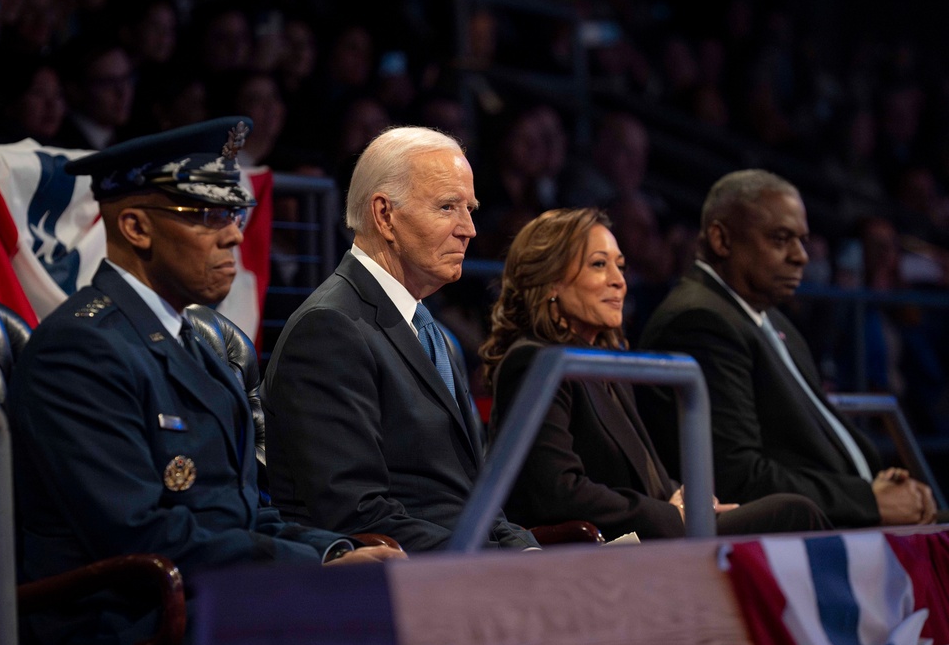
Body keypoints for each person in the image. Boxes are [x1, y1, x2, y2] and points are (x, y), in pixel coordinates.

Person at [9, 116, 405, 645]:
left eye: (235, 213)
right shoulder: (80, 349)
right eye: (207, 215)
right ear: (135, 228)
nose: (235, 234)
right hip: (130, 626)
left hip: (208, 599)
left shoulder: (199, 345)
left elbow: (236, 515)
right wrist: (311, 569)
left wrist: (334, 550)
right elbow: (141, 535)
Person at [261, 126, 539, 552]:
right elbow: (355, 513)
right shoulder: (329, 330)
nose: (469, 229)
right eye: (448, 207)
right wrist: (491, 563)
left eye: (470, 209)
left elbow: (474, 499)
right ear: (384, 215)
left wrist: (528, 554)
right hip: (400, 591)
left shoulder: (436, 335)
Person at [480, 207, 831, 540]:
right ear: (551, 282)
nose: (619, 281)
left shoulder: (606, 362)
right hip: (610, 546)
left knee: (790, 512)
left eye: (620, 266)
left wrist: (687, 498)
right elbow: (557, 492)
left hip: (656, 530)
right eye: (599, 265)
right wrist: (672, 515)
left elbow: (645, 472)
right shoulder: (533, 362)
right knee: (793, 513)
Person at [637, 169, 939, 529]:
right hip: (815, 533)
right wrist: (868, 500)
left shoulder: (770, 317)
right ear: (721, 240)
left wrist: (883, 486)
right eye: (781, 239)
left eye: (802, 240)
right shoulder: (699, 320)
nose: (801, 256)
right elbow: (738, 476)